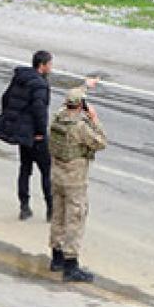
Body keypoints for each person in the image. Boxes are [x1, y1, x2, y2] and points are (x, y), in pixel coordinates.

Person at [47, 85, 108, 283]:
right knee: (75, 220)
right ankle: (71, 265)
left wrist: (83, 88)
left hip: (56, 175)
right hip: (75, 180)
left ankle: (56, 257)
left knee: (57, 215)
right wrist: (94, 119)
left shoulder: (57, 118)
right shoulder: (80, 127)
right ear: (81, 105)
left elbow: (65, 105)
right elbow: (101, 142)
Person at [0, 50, 53, 221]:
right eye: (50, 64)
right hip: (35, 135)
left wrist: (15, 123)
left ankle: (24, 206)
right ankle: (51, 209)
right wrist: (40, 132)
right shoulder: (40, 85)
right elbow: (40, 111)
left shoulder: (20, 78)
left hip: (23, 134)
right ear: (42, 65)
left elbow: (6, 99)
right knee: (47, 171)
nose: (51, 68)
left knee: (25, 169)